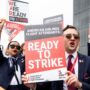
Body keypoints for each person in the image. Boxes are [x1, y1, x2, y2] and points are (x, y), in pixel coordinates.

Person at [22, 25, 90, 90]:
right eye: (68, 36)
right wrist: (34, 86)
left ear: (78, 41)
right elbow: (46, 87)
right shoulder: (52, 61)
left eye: (76, 37)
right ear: (61, 39)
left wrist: (80, 85)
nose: (72, 38)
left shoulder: (88, 61)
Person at [0, 19, 15, 90]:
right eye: (12, 46)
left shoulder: (23, 61)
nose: (15, 48)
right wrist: (0, 29)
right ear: (7, 49)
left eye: (18, 47)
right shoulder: (3, 60)